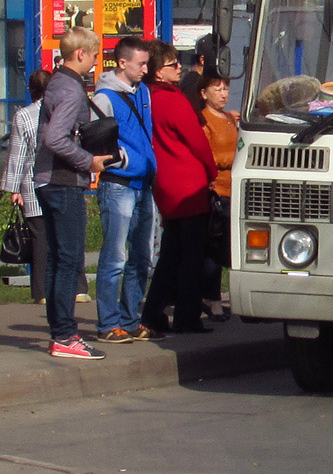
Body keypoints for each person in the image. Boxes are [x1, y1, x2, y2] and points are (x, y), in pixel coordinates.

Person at [34, 27, 111, 360]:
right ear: (81, 53)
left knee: (56, 261)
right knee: (69, 261)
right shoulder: (71, 89)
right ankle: (65, 335)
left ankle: (59, 333)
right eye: (95, 56)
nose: (96, 63)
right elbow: (55, 138)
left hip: (48, 180)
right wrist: (89, 161)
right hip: (64, 180)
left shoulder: (57, 82)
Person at [140, 40, 218, 334]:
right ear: (159, 72)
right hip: (188, 185)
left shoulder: (147, 97)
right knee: (191, 256)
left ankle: (153, 311)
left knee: (171, 253)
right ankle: (186, 316)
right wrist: (211, 170)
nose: (179, 68)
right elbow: (197, 140)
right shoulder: (172, 99)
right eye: (173, 64)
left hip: (165, 185)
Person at [91, 37, 163, 343]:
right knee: (115, 256)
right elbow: (94, 139)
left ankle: (130, 318)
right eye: (141, 63)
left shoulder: (143, 91)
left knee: (142, 256)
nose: (146, 69)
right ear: (122, 63)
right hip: (118, 185)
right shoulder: (105, 97)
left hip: (143, 184)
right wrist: (120, 158)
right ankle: (108, 323)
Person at [2, 70, 90, 305]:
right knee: (71, 236)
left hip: (33, 181)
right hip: (66, 177)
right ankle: (79, 287)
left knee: (41, 237)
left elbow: (17, 155)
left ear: (31, 89)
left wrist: (13, 188)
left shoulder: (24, 115)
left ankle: (42, 291)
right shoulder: (64, 107)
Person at [199, 69, 238, 322]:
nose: (223, 94)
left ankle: (222, 295)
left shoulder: (228, 118)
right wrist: (234, 159)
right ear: (204, 93)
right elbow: (206, 156)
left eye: (225, 88)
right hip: (216, 191)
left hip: (234, 191)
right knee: (214, 248)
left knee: (228, 248)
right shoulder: (204, 120)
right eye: (217, 89)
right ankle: (210, 298)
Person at [179, 33, 215, 106]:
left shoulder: (200, 79)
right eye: (215, 59)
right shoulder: (192, 82)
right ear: (202, 60)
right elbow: (197, 111)